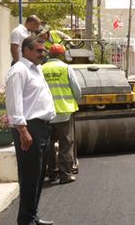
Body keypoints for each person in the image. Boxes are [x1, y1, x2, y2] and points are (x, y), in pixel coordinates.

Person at [6, 36, 56, 225]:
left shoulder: (36, 69)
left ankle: (32, 216)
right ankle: (25, 220)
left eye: (43, 50)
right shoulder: (19, 70)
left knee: (38, 176)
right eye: (38, 51)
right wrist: (23, 131)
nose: (42, 54)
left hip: (41, 127)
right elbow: (14, 103)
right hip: (29, 127)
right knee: (29, 176)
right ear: (26, 50)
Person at [42, 44, 82, 185]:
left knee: (50, 144)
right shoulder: (65, 68)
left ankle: (52, 173)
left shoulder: (41, 69)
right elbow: (77, 90)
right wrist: (75, 100)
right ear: (61, 55)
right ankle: (65, 174)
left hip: (46, 113)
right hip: (64, 111)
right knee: (66, 143)